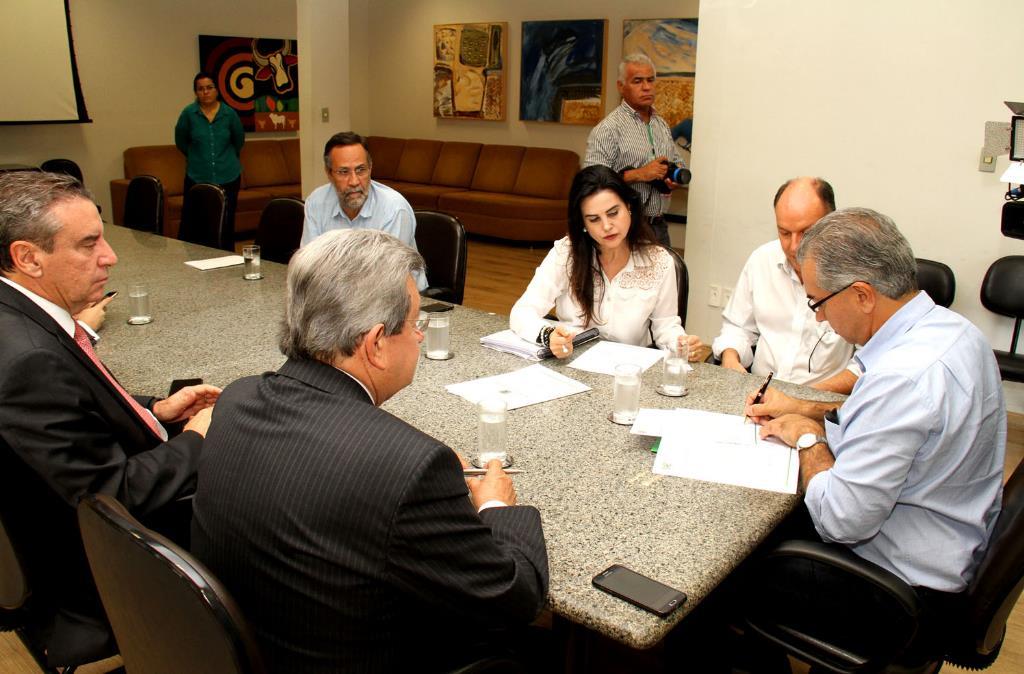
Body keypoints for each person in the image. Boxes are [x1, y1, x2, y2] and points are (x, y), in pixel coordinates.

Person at [191, 228, 548, 674]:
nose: (420, 338)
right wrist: (495, 504)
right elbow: (517, 596)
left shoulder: (237, 400)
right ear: (376, 343)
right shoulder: (412, 467)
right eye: (416, 324)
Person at [744, 207, 1005, 657]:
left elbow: (840, 522)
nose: (821, 318)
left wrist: (811, 438)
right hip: (951, 540)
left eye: (819, 302)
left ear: (862, 294)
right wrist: (806, 405)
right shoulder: (953, 330)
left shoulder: (903, 380)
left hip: (900, 591)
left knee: (726, 577)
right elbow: (873, 379)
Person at [0, 172, 220, 666]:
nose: (110, 257)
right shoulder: (28, 360)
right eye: (88, 244)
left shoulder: (17, 317)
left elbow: (73, 408)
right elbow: (113, 494)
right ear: (27, 257)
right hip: (95, 576)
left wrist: (152, 409)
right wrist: (199, 440)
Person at [510, 165, 702, 359]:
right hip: (570, 365)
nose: (607, 226)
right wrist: (548, 335)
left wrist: (681, 344)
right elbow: (522, 312)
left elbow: (666, 326)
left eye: (613, 213)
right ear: (583, 224)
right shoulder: (566, 253)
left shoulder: (659, 261)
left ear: (628, 206)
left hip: (628, 371)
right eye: (594, 219)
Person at [712, 177, 858, 393]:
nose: (795, 246)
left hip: (821, 400)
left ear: (831, 223)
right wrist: (730, 358)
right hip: (759, 392)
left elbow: (869, 363)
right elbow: (738, 328)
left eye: (806, 233)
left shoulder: (856, 272)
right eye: (785, 233)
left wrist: (802, 399)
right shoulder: (762, 260)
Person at [584, 53, 687, 248]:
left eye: (650, 80)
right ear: (621, 87)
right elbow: (591, 182)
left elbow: (677, 160)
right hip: (624, 229)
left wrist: (672, 179)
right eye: (638, 81)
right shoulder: (608, 129)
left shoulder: (661, 125)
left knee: (668, 278)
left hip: (658, 227)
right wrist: (639, 174)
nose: (646, 87)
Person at [300, 131, 426, 290]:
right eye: (343, 172)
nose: (354, 181)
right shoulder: (316, 202)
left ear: (371, 168)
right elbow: (309, 266)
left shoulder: (394, 209)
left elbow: (384, 279)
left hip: (398, 300)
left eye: (360, 170)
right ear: (329, 174)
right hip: (335, 297)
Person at [174, 71, 245, 242]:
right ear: (196, 92)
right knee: (196, 223)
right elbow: (181, 141)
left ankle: (227, 260)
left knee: (225, 223)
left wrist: (225, 158)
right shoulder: (189, 114)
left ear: (216, 90)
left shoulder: (229, 114)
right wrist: (197, 156)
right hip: (197, 177)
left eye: (209, 88)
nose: (205, 92)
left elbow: (239, 141)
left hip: (228, 175)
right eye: (200, 89)